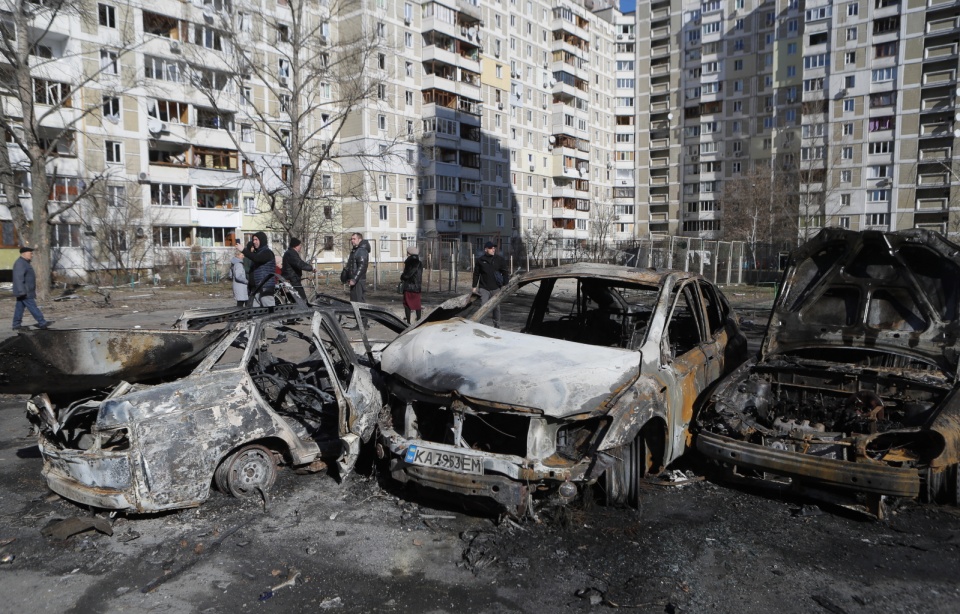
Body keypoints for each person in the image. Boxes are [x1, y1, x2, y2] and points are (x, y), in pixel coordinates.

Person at [12, 246, 52, 331]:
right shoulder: (20, 263)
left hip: (25, 290)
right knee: (32, 307)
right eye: (30, 253)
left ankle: (16, 324)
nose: (32, 255)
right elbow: (18, 278)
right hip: (24, 291)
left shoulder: (24, 263)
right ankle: (42, 322)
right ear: (24, 253)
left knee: (19, 308)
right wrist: (21, 291)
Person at [472, 241, 509, 329]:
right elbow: (476, 274)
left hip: (496, 288)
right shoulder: (480, 260)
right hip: (484, 288)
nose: (493, 249)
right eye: (491, 248)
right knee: (483, 306)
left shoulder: (499, 260)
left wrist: (505, 284)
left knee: (496, 307)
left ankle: (497, 326)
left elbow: (505, 272)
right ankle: (481, 325)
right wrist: (474, 287)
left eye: (494, 248)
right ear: (486, 249)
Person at [242, 232, 277, 307]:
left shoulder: (267, 253)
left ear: (262, 240)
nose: (254, 242)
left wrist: (243, 250)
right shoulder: (258, 253)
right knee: (256, 315)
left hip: (265, 288)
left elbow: (257, 259)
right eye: (253, 240)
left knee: (271, 314)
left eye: (256, 239)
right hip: (255, 289)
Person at [400, 246, 423, 324]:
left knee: (407, 304)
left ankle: (408, 322)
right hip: (417, 286)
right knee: (417, 304)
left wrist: (402, 276)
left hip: (409, 286)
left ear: (409, 253)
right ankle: (419, 320)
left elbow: (408, 274)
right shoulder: (419, 262)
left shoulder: (410, 262)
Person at [345, 232, 370, 303]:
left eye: (354, 239)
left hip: (358, 281)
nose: (352, 241)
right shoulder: (356, 250)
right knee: (354, 302)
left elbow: (362, 266)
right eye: (351, 239)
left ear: (360, 239)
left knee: (359, 303)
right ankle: (358, 314)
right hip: (355, 280)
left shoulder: (361, 250)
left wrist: (354, 279)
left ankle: (363, 314)